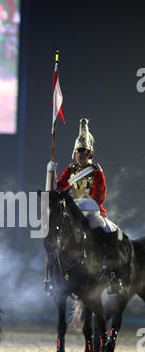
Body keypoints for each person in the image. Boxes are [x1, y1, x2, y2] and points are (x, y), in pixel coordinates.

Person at [53, 118, 122, 292]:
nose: (80, 154)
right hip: (73, 210)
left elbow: (99, 196)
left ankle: (113, 275)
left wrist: (83, 205)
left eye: (83, 151)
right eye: (78, 151)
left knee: (107, 231)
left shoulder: (96, 172)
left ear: (89, 153)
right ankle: (55, 275)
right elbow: (60, 187)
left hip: (91, 210)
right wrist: (51, 172)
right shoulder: (70, 170)